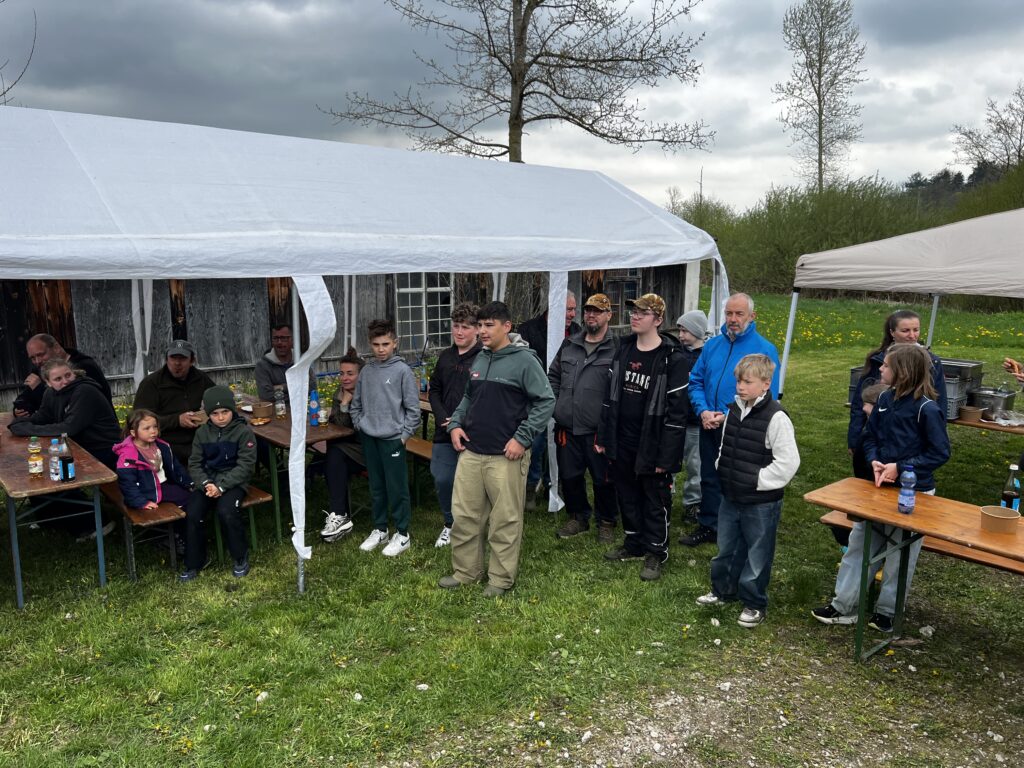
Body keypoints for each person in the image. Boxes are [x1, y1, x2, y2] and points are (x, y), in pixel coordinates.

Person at [812, 343, 950, 633]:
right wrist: (875, 461)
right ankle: (844, 606)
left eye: (886, 365)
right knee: (859, 545)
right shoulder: (885, 398)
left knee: (900, 554)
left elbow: (940, 452)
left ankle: (887, 612)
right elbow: (870, 436)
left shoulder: (927, 409)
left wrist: (901, 467)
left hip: (913, 493)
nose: (881, 368)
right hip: (879, 489)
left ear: (903, 371)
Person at [438, 301, 555, 597]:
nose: (482, 331)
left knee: (504, 520)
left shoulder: (525, 361)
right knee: (464, 516)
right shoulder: (480, 358)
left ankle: (500, 579)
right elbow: (468, 396)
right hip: (472, 451)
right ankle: (466, 572)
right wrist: (455, 425)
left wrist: (522, 438)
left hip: (506, 455)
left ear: (507, 326)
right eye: (480, 325)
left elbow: (546, 401)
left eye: (489, 325)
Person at [694, 354, 800, 628]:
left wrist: (756, 480)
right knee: (726, 548)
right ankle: (723, 591)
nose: (741, 387)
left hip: (761, 501)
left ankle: (754, 603)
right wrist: (722, 466)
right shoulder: (733, 410)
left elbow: (788, 463)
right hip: (731, 495)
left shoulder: (777, 418)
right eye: (739, 381)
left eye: (747, 382)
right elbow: (724, 446)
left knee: (757, 554)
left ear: (766, 384)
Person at [595, 293, 689, 582]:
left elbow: (677, 414)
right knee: (626, 494)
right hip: (622, 439)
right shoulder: (623, 350)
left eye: (642, 313)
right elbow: (609, 398)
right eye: (633, 311)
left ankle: (656, 551)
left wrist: (666, 457)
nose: (634, 316)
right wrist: (604, 436)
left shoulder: (672, 359)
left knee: (654, 498)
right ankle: (634, 542)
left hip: (652, 442)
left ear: (658, 320)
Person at [682, 293, 780, 548]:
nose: (733, 319)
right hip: (709, 422)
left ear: (752, 316)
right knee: (708, 475)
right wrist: (703, 411)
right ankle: (709, 525)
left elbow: (768, 396)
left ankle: (736, 528)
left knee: (737, 478)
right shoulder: (712, 346)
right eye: (729, 313)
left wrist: (731, 416)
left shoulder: (764, 350)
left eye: (739, 314)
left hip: (741, 428)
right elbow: (696, 381)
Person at [549, 293, 619, 542]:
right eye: (588, 310)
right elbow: (553, 375)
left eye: (597, 311)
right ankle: (578, 517)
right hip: (567, 427)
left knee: (603, 479)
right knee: (570, 476)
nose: (591, 315)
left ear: (608, 315)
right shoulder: (570, 344)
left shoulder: (617, 348)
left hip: (598, 430)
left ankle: (606, 521)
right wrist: (557, 405)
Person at [349, 319, 421, 557]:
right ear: (370, 344)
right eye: (376, 344)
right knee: (376, 486)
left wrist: (404, 436)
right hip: (370, 437)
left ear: (395, 343)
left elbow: (413, 409)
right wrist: (360, 423)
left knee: (397, 487)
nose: (381, 349)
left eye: (386, 344)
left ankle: (402, 533)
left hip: (393, 440)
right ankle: (380, 529)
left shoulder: (403, 371)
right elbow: (356, 403)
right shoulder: (367, 371)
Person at [181, 385, 258, 582]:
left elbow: (246, 465)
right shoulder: (201, 433)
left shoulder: (243, 432)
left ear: (232, 410)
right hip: (208, 482)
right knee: (193, 512)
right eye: (215, 414)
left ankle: (240, 556)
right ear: (208, 414)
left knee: (227, 511)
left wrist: (222, 486)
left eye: (225, 412)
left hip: (234, 482)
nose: (221, 417)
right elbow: (195, 463)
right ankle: (194, 562)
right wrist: (206, 483)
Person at [848, 310, 947, 459]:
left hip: (909, 440)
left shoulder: (932, 362)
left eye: (916, 330)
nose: (912, 335)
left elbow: (939, 403)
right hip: (876, 439)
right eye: (905, 330)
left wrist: (932, 440)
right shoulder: (878, 360)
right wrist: (854, 438)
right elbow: (859, 402)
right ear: (892, 332)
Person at [517, 290, 581, 506]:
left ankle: (554, 482)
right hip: (534, 398)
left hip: (565, 398)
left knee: (560, 443)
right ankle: (530, 485)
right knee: (535, 443)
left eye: (574, 309)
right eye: (568, 309)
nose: (572, 314)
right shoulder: (528, 330)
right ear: (553, 308)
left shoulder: (577, 332)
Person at [428, 303, 483, 548]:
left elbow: (485, 396)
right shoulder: (446, 357)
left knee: (473, 483)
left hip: (472, 432)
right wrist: (444, 419)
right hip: (444, 430)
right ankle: (450, 523)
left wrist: (462, 421)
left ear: (477, 330)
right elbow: (434, 390)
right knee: (442, 478)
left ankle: (473, 525)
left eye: (465, 327)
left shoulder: (484, 357)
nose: (459, 332)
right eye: (456, 326)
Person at [9, 358, 121, 469]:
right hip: (78, 447)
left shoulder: (85, 390)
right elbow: (44, 416)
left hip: (104, 449)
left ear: (73, 373)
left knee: (55, 466)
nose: (65, 381)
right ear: (48, 382)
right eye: (58, 379)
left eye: (68, 375)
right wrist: (20, 422)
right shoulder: (50, 392)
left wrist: (27, 429)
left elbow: (69, 428)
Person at [133, 339, 216, 464]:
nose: (177, 363)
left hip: (200, 440)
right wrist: (177, 420)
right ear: (166, 359)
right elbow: (139, 419)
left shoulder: (201, 379)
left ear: (192, 361)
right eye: (173, 358)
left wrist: (206, 414)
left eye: (182, 358)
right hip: (165, 444)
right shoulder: (151, 383)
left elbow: (218, 402)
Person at [319, 347, 367, 543]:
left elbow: (357, 428)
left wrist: (345, 405)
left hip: (367, 448)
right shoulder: (340, 393)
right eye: (341, 373)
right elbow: (337, 424)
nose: (344, 378)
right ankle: (340, 514)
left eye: (350, 373)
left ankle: (339, 514)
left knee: (333, 456)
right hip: (348, 447)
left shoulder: (368, 395)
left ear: (360, 375)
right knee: (333, 456)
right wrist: (342, 405)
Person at [12, 333, 112, 417]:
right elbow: (26, 396)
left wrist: (38, 389)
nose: (37, 361)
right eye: (33, 358)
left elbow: (68, 404)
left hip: (94, 429)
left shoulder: (84, 366)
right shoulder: (41, 369)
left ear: (56, 348)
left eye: (40, 355)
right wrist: (20, 410)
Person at [113, 409, 194, 511]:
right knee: (188, 499)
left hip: (162, 486)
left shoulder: (162, 446)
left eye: (155, 426)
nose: (153, 431)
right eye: (147, 428)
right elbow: (127, 484)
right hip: (145, 491)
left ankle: (182, 518)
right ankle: (182, 520)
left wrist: (188, 483)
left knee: (191, 496)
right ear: (133, 432)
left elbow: (176, 467)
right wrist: (141, 502)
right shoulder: (128, 456)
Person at [675, 309, 708, 530]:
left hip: (695, 422)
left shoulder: (706, 356)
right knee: (668, 461)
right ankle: (663, 497)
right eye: (679, 330)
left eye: (685, 331)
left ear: (697, 332)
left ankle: (693, 503)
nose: (680, 335)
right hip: (674, 419)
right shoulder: (676, 354)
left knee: (695, 465)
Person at [253, 323, 316, 402]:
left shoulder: (301, 361)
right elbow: (266, 396)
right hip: (277, 409)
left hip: (303, 408)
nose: (279, 342)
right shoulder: (263, 366)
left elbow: (312, 388)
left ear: (292, 340)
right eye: (276, 338)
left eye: (284, 338)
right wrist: (298, 392)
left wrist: (282, 387)